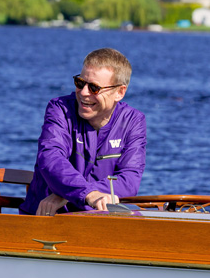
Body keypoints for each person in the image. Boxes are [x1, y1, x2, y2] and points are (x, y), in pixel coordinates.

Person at [20, 48, 147, 216]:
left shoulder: (133, 121)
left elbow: (129, 180)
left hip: (97, 219)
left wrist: (70, 195)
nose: (83, 92)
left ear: (119, 92)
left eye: (94, 88)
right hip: (48, 217)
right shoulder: (59, 108)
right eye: (80, 83)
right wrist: (86, 194)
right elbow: (51, 158)